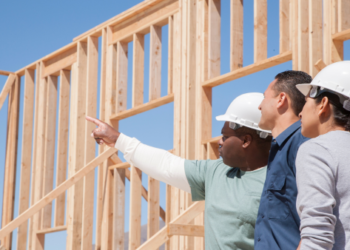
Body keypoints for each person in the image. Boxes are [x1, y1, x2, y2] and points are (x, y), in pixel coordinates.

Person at [87, 93, 272, 250]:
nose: (219, 141)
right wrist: (119, 139)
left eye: (225, 136)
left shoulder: (279, 180)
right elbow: (166, 166)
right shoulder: (217, 172)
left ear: (246, 140)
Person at [295, 61, 350, 250]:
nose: (300, 113)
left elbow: (317, 238)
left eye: (305, 102)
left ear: (323, 104)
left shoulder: (317, 150)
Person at [254, 70, 312, 250]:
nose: (259, 106)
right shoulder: (279, 148)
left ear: (281, 99)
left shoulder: (302, 144)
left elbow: (317, 216)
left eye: (264, 97)